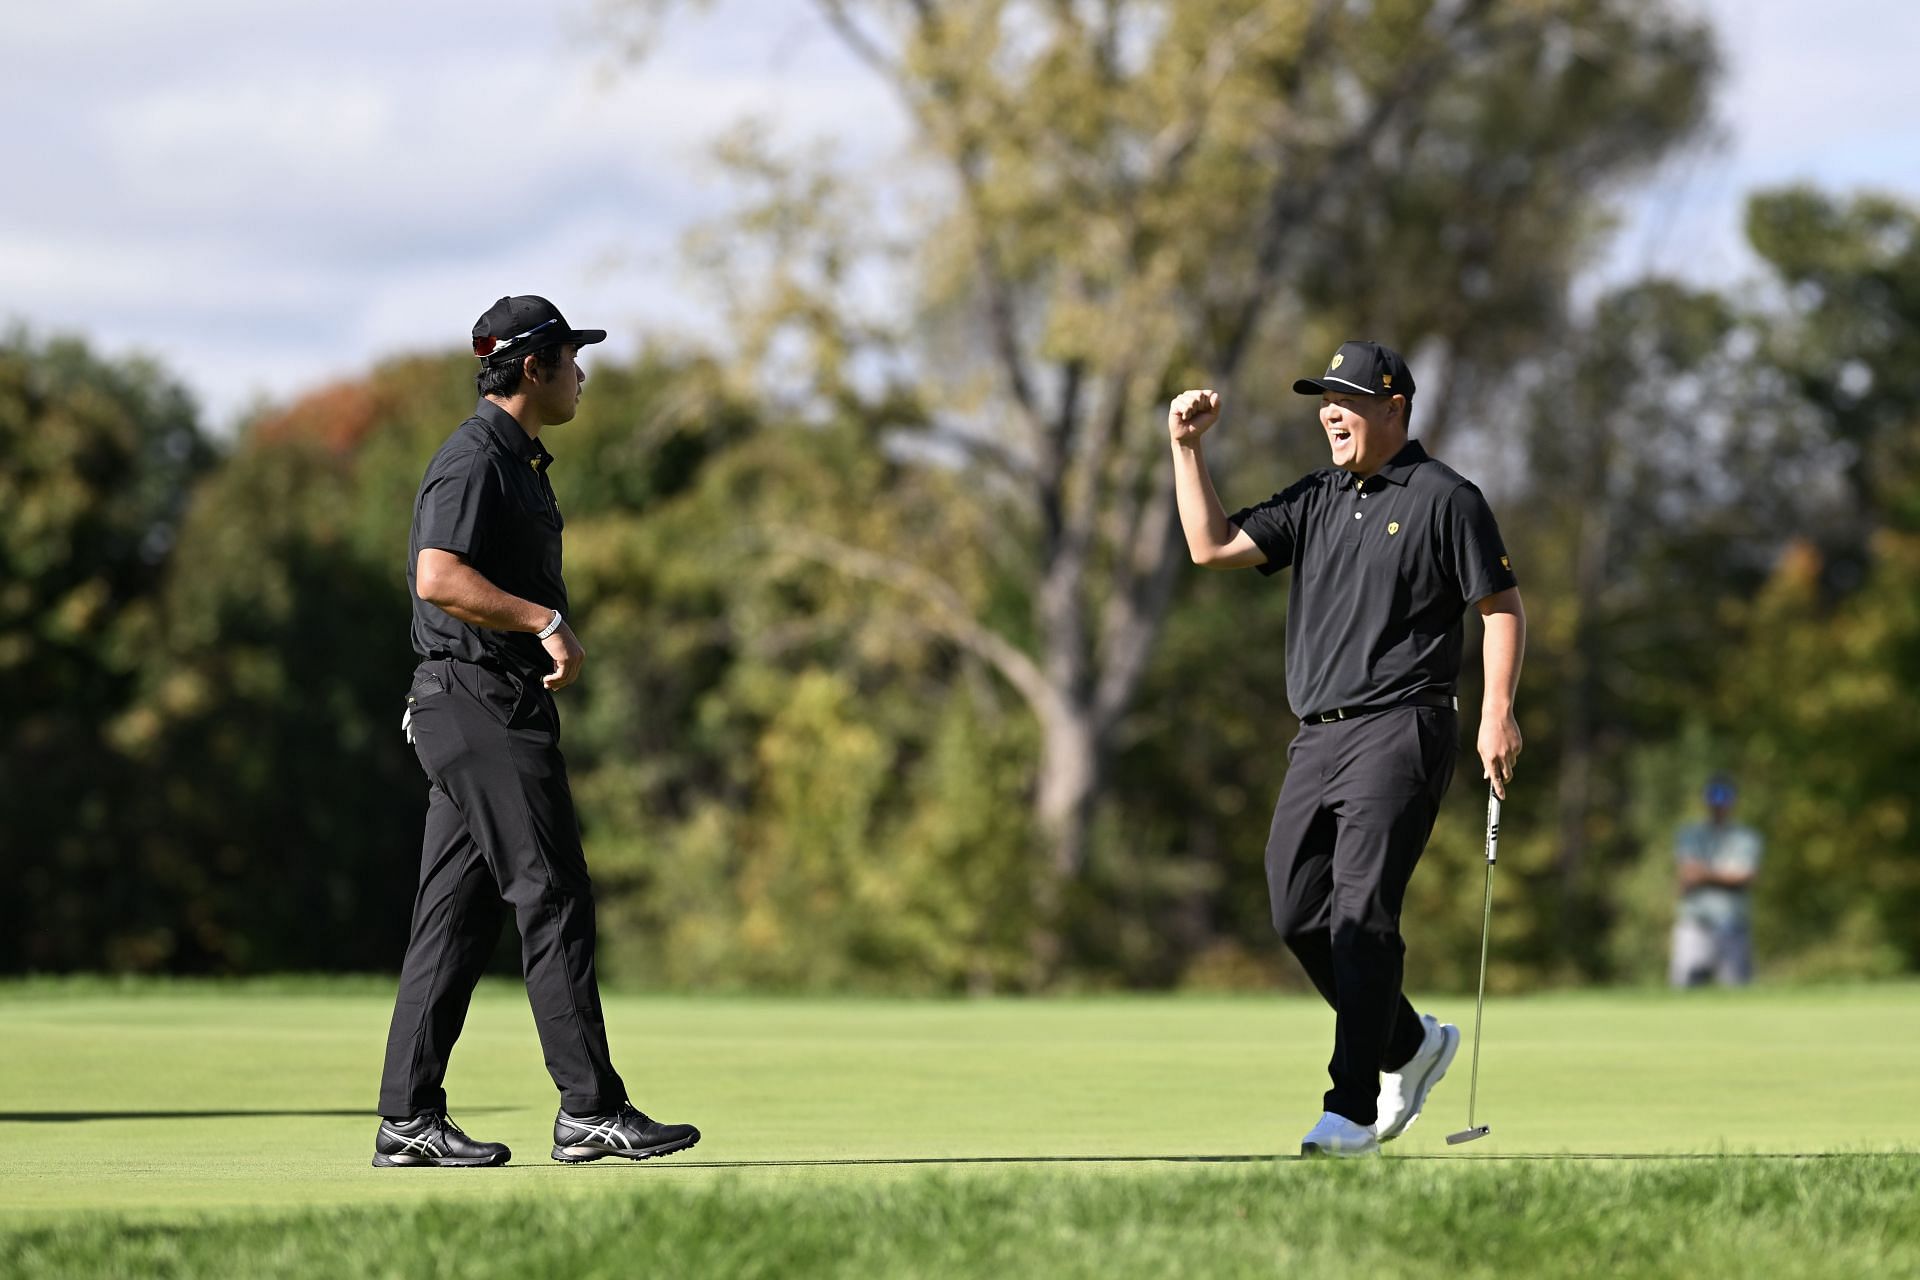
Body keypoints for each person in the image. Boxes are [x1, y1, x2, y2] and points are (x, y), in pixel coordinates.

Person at [1166, 341, 1525, 1157]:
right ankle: (1408, 1044)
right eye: (1324, 399)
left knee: (1362, 915)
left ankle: (1352, 1109)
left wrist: (1496, 710)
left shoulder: (1447, 498)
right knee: (1298, 913)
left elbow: (1500, 607)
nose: (1330, 411)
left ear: (1394, 407)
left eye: (1348, 398)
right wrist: (1186, 449)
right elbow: (1211, 546)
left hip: (1402, 727)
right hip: (1316, 738)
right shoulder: (1319, 497)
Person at [372, 295, 700, 1168]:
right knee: (550, 894)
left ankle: (408, 1119)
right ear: (532, 368)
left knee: (454, 918)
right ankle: (591, 1110)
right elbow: (438, 576)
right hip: (479, 704)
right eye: (570, 356)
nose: (582, 372)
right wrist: (543, 618)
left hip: (474, 703)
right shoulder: (475, 458)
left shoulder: (515, 460)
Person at [1669, 774, 1762, 988]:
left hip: (1733, 925)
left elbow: (1745, 876)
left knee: (1736, 993)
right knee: (1685, 990)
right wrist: (1726, 875)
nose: (1718, 804)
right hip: (1695, 923)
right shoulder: (1689, 834)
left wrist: (1705, 874)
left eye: (1724, 797)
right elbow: (1688, 873)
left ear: (1733, 801)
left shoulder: (1746, 837)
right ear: (1706, 799)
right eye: (1714, 796)